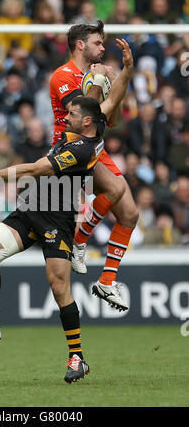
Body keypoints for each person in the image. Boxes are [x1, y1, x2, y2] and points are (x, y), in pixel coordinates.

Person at [0, 39, 132, 383]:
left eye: (74, 114)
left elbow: (38, 170)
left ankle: (77, 358)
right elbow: (111, 99)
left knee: (58, 286)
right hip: (32, 205)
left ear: (88, 123)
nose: (67, 116)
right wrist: (126, 69)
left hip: (57, 214)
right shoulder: (93, 123)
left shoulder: (82, 150)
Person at [49, 21, 139, 299]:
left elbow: (109, 118)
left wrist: (125, 73)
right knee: (114, 188)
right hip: (72, 148)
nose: (103, 48)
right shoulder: (62, 76)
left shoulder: (95, 73)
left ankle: (106, 281)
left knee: (130, 214)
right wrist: (99, 82)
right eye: (98, 43)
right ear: (80, 44)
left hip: (96, 147)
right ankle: (79, 239)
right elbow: (85, 120)